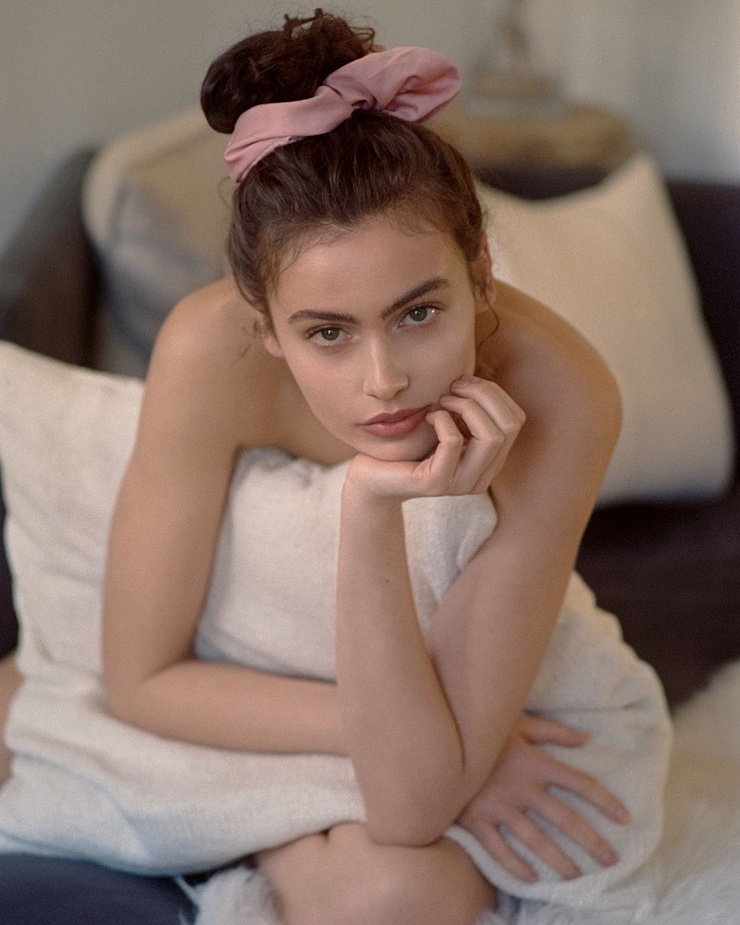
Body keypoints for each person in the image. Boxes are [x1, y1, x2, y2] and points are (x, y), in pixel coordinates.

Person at [0, 10, 653, 925]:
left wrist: (374, 515)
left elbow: (413, 804)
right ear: (265, 325)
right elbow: (142, 678)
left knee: (399, 898)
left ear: (479, 272)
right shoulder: (209, 349)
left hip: (475, 708)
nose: (384, 381)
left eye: (419, 313)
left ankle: (230, 834)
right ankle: (262, 836)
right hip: (246, 691)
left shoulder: (566, 397)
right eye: (328, 333)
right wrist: (392, 710)